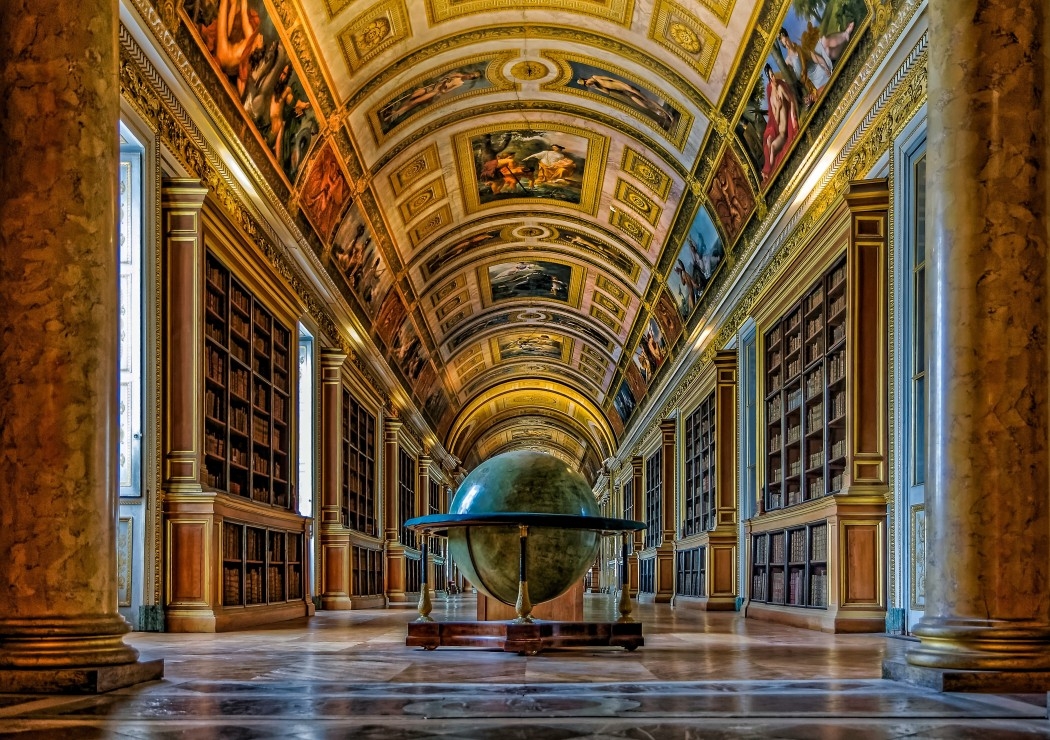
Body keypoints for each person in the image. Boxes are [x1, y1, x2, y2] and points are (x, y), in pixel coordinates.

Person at [576, 74, 675, 131]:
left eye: (586, 83)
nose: (588, 84)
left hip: (626, 88)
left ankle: (668, 115)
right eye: (586, 85)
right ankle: (663, 117)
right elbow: (608, 92)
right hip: (626, 93)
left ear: (585, 79)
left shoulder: (595, 77)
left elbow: (613, 80)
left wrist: (628, 87)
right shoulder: (597, 85)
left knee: (647, 100)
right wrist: (596, 87)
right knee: (645, 106)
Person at [381, 70, 482, 125]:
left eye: (472, 77)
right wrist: (444, 79)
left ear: (471, 79)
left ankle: (394, 116)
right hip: (432, 86)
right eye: (471, 74)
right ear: (470, 72)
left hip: (434, 92)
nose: (469, 76)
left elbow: (444, 92)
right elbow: (445, 76)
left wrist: (443, 86)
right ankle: (395, 110)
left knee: (415, 101)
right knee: (413, 95)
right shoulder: (458, 74)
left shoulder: (460, 83)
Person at [761, 64, 800, 182]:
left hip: (783, 133)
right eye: (772, 76)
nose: (774, 78)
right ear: (769, 78)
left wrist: (793, 118)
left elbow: (791, 101)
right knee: (768, 141)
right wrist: (777, 108)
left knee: (772, 147)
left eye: (773, 75)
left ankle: (771, 173)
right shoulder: (772, 97)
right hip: (778, 130)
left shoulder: (780, 89)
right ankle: (769, 172)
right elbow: (776, 120)